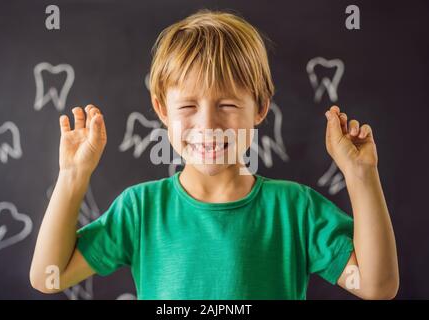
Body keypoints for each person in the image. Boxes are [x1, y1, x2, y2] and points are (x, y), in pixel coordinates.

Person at [30, 9, 399, 299]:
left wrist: (360, 174)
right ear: (161, 110)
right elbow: (50, 276)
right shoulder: (140, 210)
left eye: (227, 104)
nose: (208, 123)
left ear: (260, 108)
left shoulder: (295, 211)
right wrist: (73, 176)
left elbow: (376, 286)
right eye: (188, 106)